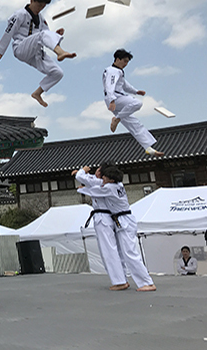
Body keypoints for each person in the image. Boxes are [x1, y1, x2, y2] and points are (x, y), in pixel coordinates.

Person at [76, 164, 156, 292]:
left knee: (128, 252)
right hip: (120, 220)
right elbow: (95, 185)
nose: (102, 179)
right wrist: (85, 186)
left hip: (121, 220)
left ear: (111, 179)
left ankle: (146, 282)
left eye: (104, 176)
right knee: (123, 252)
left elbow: (93, 187)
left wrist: (82, 180)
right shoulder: (117, 185)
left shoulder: (109, 187)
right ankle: (128, 280)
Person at [0, 0, 76, 107]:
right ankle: (60, 53)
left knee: (58, 72)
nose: (40, 8)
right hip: (21, 48)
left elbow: (47, 34)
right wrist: (0, 52)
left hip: (35, 52)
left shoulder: (41, 19)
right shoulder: (19, 14)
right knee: (42, 35)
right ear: (31, 0)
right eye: (39, 5)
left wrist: (56, 34)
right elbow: (8, 32)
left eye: (43, 6)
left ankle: (37, 93)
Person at [75, 163, 130, 291]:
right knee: (115, 249)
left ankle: (119, 281)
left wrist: (83, 170)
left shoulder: (98, 182)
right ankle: (123, 278)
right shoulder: (111, 184)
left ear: (102, 173)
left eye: (98, 169)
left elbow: (81, 177)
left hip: (102, 218)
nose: (96, 171)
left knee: (108, 250)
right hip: (110, 218)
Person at [103, 49, 164, 157]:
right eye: (124, 61)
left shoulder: (118, 71)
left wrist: (136, 91)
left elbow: (125, 85)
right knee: (137, 104)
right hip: (115, 98)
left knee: (134, 123)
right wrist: (112, 100)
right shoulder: (112, 71)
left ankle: (148, 148)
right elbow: (109, 86)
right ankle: (117, 119)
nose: (126, 64)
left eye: (127, 62)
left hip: (117, 99)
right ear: (117, 59)